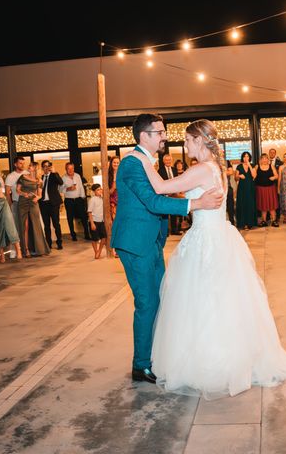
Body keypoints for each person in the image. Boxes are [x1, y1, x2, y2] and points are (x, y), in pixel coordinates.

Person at [127, 119, 286, 399]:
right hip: (218, 236)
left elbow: (161, 188)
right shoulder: (215, 169)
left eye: (187, 140)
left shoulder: (200, 170)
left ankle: (208, 362)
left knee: (202, 300)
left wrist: (142, 159)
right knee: (221, 299)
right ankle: (227, 355)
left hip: (205, 241)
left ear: (199, 141)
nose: (184, 145)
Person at [111, 113, 223, 385]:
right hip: (135, 243)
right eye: (159, 132)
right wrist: (195, 205)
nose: (164, 136)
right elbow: (152, 201)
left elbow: (162, 193)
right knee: (147, 302)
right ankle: (141, 365)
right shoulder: (132, 163)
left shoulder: (149, 162)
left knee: (162, 299)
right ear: (144, 136)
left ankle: (156, 356)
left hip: (151, 241)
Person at [17, 162, 50, 257]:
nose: (28, 166)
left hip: (33, 203)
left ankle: (40, 249)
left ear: (35, 168)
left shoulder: (39, 181)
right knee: (25, 226)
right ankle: (26, 250)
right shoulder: (22, 177)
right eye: (29, 165)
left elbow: (40, 195)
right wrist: (24, 194)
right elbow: (17, 190)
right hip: (23, 202)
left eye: (30, 166)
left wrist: (37, 198)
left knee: (36, 225)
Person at [62, 162, 90, 242]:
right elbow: (60, 189)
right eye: (69, 168)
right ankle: (73, 235)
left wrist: (83, 197)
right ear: (66, 169)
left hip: (78, 199)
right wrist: (68, 189)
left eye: (72, 168)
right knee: (70, 218)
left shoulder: (77, 176)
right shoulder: (63, 178)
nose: (71, 170)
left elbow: (81, 187)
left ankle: (87, 234)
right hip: (69, 200)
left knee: (84, 217)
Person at [5, 157, 27, 258]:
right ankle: (15, 250)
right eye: (20, 163)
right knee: (17, 228)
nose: (22, 165)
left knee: (27, 228)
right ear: (15, 164)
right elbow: (7, 193)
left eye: (23, 163)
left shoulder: (27, 173)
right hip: (17, 203)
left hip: (28, 204)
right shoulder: (10, 176)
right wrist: (10, 205)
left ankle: (27, 248)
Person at [39, 160, 64, 250]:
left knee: (56, 223)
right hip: (43, 204)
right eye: (44, 166)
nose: (46, 168)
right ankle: (48, 244)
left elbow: (61, 182)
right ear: (42, 168)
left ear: (50, 167)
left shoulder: (54, 176)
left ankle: (59, 242)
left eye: (48, 166)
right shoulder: (40, 177)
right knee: (46, 225)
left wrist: (55, 172)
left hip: (53, 203)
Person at [158, 154, 183, 235]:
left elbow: (178, 181)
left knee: (174, 212)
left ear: (171, 161)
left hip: (174, 194)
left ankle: (174, 230)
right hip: (165, 194)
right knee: (165, 214)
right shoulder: (160, 171)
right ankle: (166, 231)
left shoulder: (174, 170)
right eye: (166, 160)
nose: (168, 161)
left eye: (169, 160)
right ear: (164, 161)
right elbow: (160, 183)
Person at [254, 154, 279, 227]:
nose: (264, 160)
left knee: (272, 205)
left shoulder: (271, 166)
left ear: (268, 159)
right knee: (263, 205)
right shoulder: (257, 166)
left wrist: (274, 177)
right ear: (260, 159)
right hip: (261, 189)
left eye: (266, 158)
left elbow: (277, 176)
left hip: (270, 188)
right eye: (263, 158)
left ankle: (274, 221)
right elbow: (253, 175)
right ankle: (264, 221)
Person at [235, 151, 257, 230]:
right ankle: (243, 223)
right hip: (242, 189)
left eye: (247, 156)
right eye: (244, 156)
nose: (246, 158)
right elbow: (235, 178)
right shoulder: (239, 166)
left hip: (250, 188)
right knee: (242, 204)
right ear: (242, 158)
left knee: (250, 204)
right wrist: (239, 176)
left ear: (249, 157)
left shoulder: (253, 165)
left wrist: (249, 166)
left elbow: (254, 176)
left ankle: (250, 223)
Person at [87, 183, 106, 259]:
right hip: (94, 221)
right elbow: (89, 212)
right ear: (94, 191)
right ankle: (96, 252)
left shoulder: (102, 199)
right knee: (94, 239)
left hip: (101, 221)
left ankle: (99, 251)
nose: (100, 190)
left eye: (100, 189)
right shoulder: (92, 200)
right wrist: (92, 223)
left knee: (104, 238)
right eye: (98, 190)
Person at [278, 153, 286, 223]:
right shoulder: (281, 167)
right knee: (284, 201)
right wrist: (278, 187)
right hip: (283, 186)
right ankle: (285, 217)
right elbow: (279, 178)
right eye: (284, 157)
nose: (285, 158)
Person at [108, 156, 120, 222]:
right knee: (115, 220)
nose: (116, 164)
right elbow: (107, 193)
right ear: (111, 163)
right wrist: (113, 188)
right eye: (114, 162)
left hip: (122, 200)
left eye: (118, 163)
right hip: (113, 201)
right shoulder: (108, 175)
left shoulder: (122, 174)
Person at [225, 160, 236, 225]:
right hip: (217, 189)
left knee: (230, 206)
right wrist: (226, 171)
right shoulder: (213, 162)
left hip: (228, 187)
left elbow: (231, 172)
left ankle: (232, 222)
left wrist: (220, 172)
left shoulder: (227, 162)